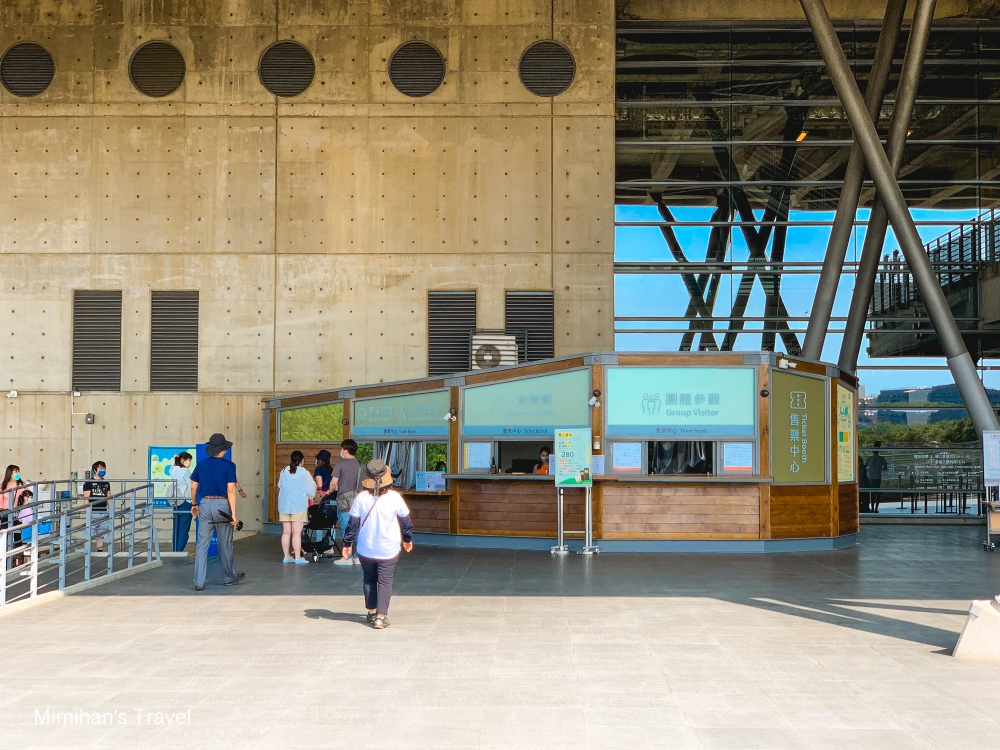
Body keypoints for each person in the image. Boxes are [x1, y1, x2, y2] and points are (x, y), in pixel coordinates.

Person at [342, 459, 414, 629]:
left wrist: (347, 544)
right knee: (385, 581)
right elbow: (406, 521)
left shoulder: (361, 498)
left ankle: (372, 611)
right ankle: (381, 618)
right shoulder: (395, 498)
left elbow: (352, 524)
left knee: (369, 579)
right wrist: (407, 539)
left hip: (366, 547)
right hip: (388, 547)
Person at [190, 433, 245, 590]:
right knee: (225, 543)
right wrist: (233, 514)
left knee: (202, 545)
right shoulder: (229, 466)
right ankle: (229, 577)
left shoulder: (201, 465)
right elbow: (231, 491)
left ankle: (199, 582)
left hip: (205, 503)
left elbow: (194, 486)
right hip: (222, 505)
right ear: (222, 450)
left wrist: (194, 504)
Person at [329, 439, 363, 567]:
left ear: (346, 450)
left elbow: (333, 483)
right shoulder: (361, 465)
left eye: (342, 449)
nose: (341, 451)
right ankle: (358, 557)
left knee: (346, 529)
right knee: (358, 529)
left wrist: (329, 491)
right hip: (359, 501)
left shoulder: (340, 465)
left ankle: (347, 556)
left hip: (345, 502)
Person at [278, 450, 314, 564]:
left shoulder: (284, 471)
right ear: (302, 460)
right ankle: (298, 557)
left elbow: (280, 485)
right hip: (298, 505)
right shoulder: (304, 473)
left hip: (284, 505)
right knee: (296, 533)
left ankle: (286, 556)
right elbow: (311, 489)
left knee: (286, 532)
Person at [82, 461, 112, 552]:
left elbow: (108, 497)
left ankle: (100, 551)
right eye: (100, 468)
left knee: (101, 534)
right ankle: (86, 552)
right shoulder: (89, 483)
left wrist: (111, 509)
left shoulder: (106, 483)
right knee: (90, 534)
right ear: (95, 470)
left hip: (104, 511)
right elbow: (86, 498)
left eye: (104, 468)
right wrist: (88, 511)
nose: (103, 470)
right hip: (93, 512)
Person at [169, 452, 194, 552]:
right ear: (183, 460)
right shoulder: (184, 471)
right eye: (189, 460)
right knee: (184, 529)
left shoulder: (172, 469)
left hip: (176, 501)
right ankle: (179, 551)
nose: (189, 462)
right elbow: (191, 486)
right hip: (186, 501)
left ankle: (174, 550)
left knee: (176, 527)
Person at [865, 441, 889, 513]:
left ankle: (872, 507)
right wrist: (879, 468)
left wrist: (870, 469)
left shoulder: (869, 459)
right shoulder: (881, 459)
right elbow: (885, 468)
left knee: (872, 493)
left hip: (870, 477)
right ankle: (876, 508)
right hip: (878, 477)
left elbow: (865, 467)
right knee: (877, 493)